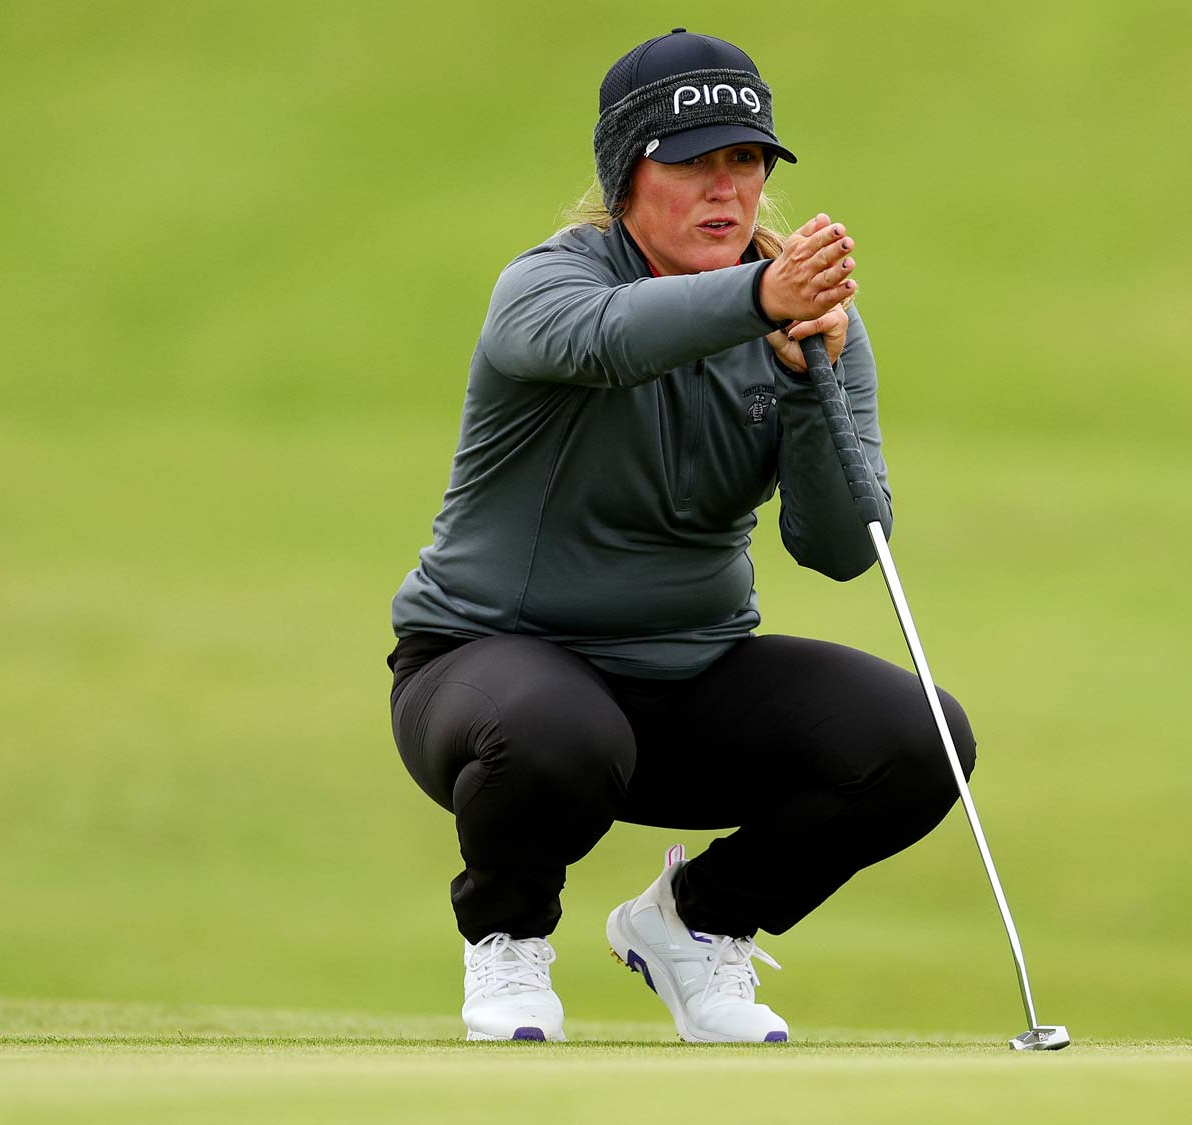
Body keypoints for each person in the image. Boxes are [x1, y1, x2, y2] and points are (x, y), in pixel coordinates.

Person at [385, 28, 975, 1044]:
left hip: (684, 684)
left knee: (923, 739)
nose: (724, 187)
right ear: (626, 175)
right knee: (557, 732)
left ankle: (693, 926)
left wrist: (804, 383)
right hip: (487, 677)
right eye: (689, 161)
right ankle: (507, 944)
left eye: (743, 160)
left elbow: (840, 544)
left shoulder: (804, 311)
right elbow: (615, 339)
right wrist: (757, 299)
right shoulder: (544, 288)